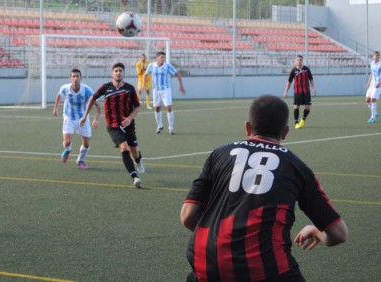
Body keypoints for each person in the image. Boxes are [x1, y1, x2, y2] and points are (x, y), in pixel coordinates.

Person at [180, 95, 348, 282]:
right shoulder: (296, 167)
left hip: (205, 261)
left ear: (247, 127)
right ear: (285, 132)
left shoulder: (218, 154)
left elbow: (188, 217)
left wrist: (222, 239)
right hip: (264, 267)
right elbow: (339, 234)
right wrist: (317, 231)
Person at [80, 62, 144, 188]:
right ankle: (134, 177)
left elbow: (137, 106)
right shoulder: (105, 87)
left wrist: (130, 118)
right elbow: (92, 98)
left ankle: (139, 160)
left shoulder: (130, 88)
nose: (118, 72)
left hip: (128, 125)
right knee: (124, 148)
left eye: (120, 70)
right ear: (112, 73)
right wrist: (85, 115)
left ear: (123, 73)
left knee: (134, 152)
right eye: (116, 70)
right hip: (113, 125)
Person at [52, 68, 101, 169]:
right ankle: (68, 149)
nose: (75, 78)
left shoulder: (86, 90)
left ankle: (80, 160)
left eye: (77, 76)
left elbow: (98, 105)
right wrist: (55, 108)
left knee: (86, 144)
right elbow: (59, 95)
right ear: (70, 78)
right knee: (67, 142)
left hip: (83, 118)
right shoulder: (65, 88)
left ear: (81, 78)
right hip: (69, 118)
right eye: (73, 76)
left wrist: (95, 119)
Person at [143, 51, 186, 135]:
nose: (163, 59)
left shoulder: (167, 66)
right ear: (157, 58)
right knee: (157, 108)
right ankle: (159, 126)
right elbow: (145, 75)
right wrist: (144, 85)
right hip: (156, 90)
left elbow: (177, 74)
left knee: (169, 107)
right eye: (161, 57)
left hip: (166, 89)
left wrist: (181, 86)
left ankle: (171, 127)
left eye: (164, 57)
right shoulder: (151, 66)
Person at [283, 54, 317, 129]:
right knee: (296, 107)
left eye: (300, 60)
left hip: (306, 92)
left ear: (302, 61)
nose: (299, 61)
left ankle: (303, 119)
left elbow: (311, 79)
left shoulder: (306, 69)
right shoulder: (293, 71)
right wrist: (286, 91)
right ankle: (296, 123)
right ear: (295, 61)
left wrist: (313, 89)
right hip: (297, 92)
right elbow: (289, 82)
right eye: (297, 60)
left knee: (307, 108)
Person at [365, 50, 381, 123]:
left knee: (372, 100)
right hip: (372, 83)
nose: (375, 57)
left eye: (377, 56)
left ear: (379, 57)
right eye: (374, 56)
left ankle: (373, 117)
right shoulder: (372, 63)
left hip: (378, 84)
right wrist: (368, 82)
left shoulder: (380, 64)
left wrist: (379, 82)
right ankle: (375, 112)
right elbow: (371, 73)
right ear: (373, 56)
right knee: (367, 101)